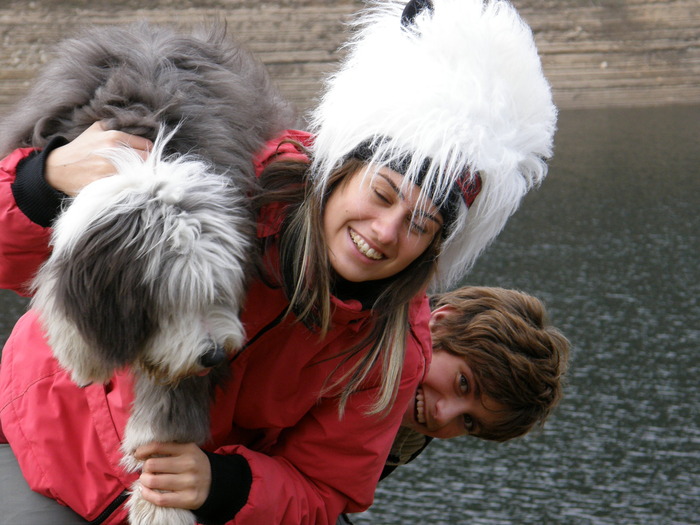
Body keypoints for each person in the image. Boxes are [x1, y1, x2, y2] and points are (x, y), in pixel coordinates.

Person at [0, 1, 557, 523]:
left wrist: (224, 484)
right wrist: (44, 182)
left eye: (421, 225)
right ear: (339, 171)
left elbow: (324, 491)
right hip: (30, 449)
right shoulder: (227, 174)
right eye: (382, 194)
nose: (385, 233)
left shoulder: (388, 352)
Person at [337, 285, 570, 525]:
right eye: (463, 383)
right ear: (441, 322)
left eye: (468, 421)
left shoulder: (405, 442)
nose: (442, 416)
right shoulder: (342, 323)